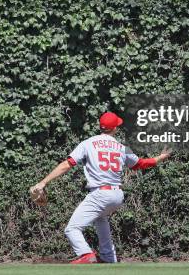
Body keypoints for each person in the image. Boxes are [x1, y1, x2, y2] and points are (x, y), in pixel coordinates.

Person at [29, 112, 172, 264]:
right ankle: (109, 258)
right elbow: (140, 164)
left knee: (72, 229)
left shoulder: (88, 143)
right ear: (115, 128)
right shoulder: (122, 147)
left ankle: (85, 254)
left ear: (100, 127)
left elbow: (67, 164)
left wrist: (43, 182)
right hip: (117, 195)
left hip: (100, 193)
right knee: (101, 219)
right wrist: (160, 158)